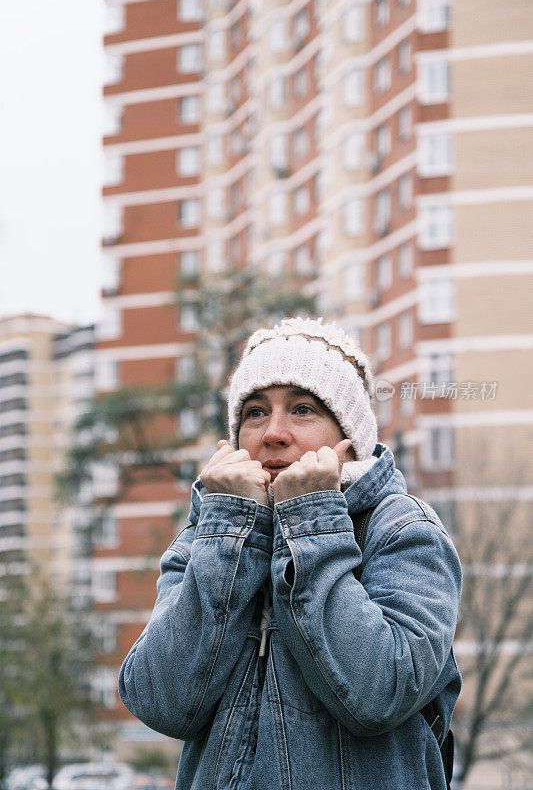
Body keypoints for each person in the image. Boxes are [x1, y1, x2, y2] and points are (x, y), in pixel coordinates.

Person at [119, 317, 462, 790]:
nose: (272, 433)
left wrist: (310, 519)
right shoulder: (207, 536)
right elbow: (160, 702)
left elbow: (379, 694)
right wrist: (228, 534)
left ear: (350, 439)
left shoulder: (402, 529)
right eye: (255, 412)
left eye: (302, 409)